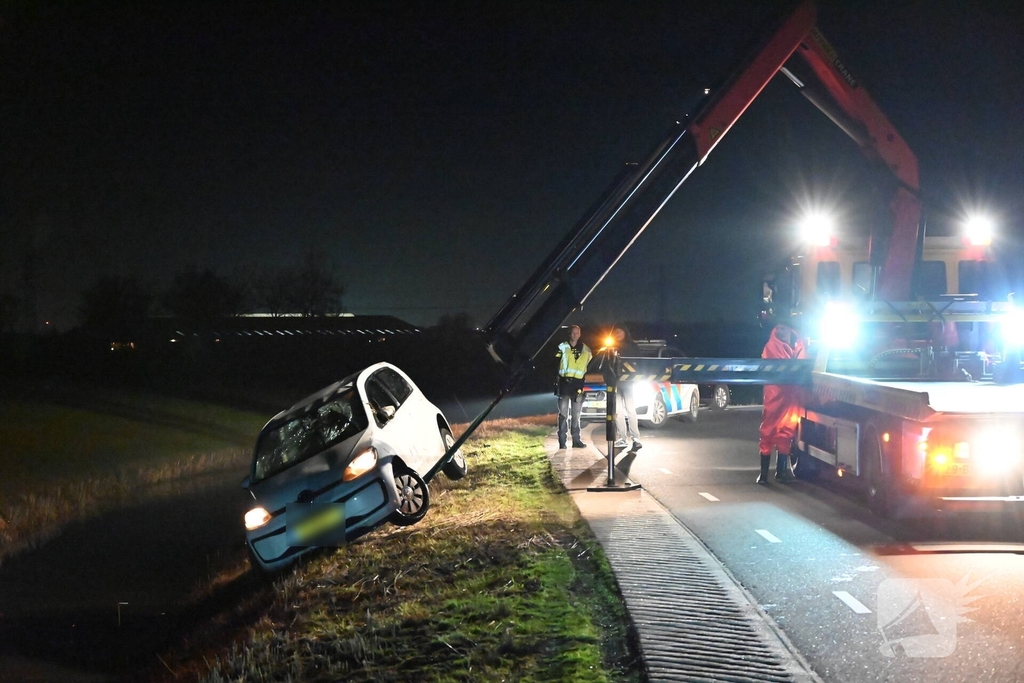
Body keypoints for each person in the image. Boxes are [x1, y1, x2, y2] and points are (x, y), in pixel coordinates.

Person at [758, 321, 806, 484]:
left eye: (784, 328)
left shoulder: (797, 343)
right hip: (776, 395)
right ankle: (764, 474)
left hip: (790, 396)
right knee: (769, 431)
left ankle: (780, 471)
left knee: (786, 432)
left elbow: (801, 365)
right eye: (779, 328)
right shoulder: (772, 346)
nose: (781, 331)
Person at [555, 324, 593, 449]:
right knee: (563, 414)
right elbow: (554, 363)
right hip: (564, 385)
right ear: (569, 334)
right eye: (573, 333)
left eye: (577, 333)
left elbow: (588, 366)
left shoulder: (586, 350)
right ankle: (562, 441)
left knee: (576, 415)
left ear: (580, 334)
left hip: (578, 386)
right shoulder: (562, 347)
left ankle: (576, 440)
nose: (575, 335)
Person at [610, 325, 642, 451]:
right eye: (615, 332)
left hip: (628, 383)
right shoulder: (611, 346)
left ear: (625, 332)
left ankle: (636, 438)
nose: (617, 334)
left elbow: (638, 362)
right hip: (616, 383)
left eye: (619, 332)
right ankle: (622, 438)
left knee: (631, 410)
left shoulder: (632, 346)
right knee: (618, 412)